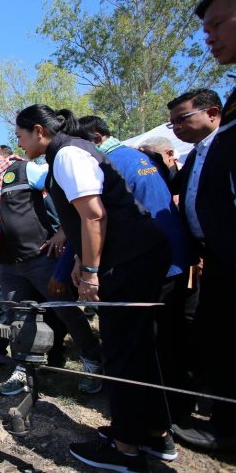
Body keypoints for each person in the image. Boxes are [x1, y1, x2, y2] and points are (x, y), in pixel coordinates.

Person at [15, 104, 175, 471]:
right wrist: (78, 260)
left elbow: (94, 215)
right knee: (136, 347)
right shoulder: (70, 151)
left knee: (122, 348)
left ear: (39, 130)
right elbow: (83, 221)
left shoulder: (68, 154)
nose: (19, 142)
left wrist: (90, 271)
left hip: (130, 257)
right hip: (134, 255)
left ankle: (126, 450)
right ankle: (148, 431)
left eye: (20, 135)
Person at [0, 137, 102, 395]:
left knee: (66, 312)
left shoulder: (24, 170)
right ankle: (23, 369)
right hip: (9, 268)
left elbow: (66, 194)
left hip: (41, 259)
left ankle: (93, 362)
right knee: (18, 320)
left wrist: (63, 231)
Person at [78, 115, 192, 422]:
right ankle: (174, 412)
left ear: (97, 139)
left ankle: (160, 416)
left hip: (149, 261)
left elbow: (96, 219)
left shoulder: (110, 164)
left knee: (148, 343)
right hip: (173, 256)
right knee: (169, 338)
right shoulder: (136, 157)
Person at [172, 0, 236, 450]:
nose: (208, 35)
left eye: (218, 23)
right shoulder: (201, 151)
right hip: (215, 257)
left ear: (211, 114)